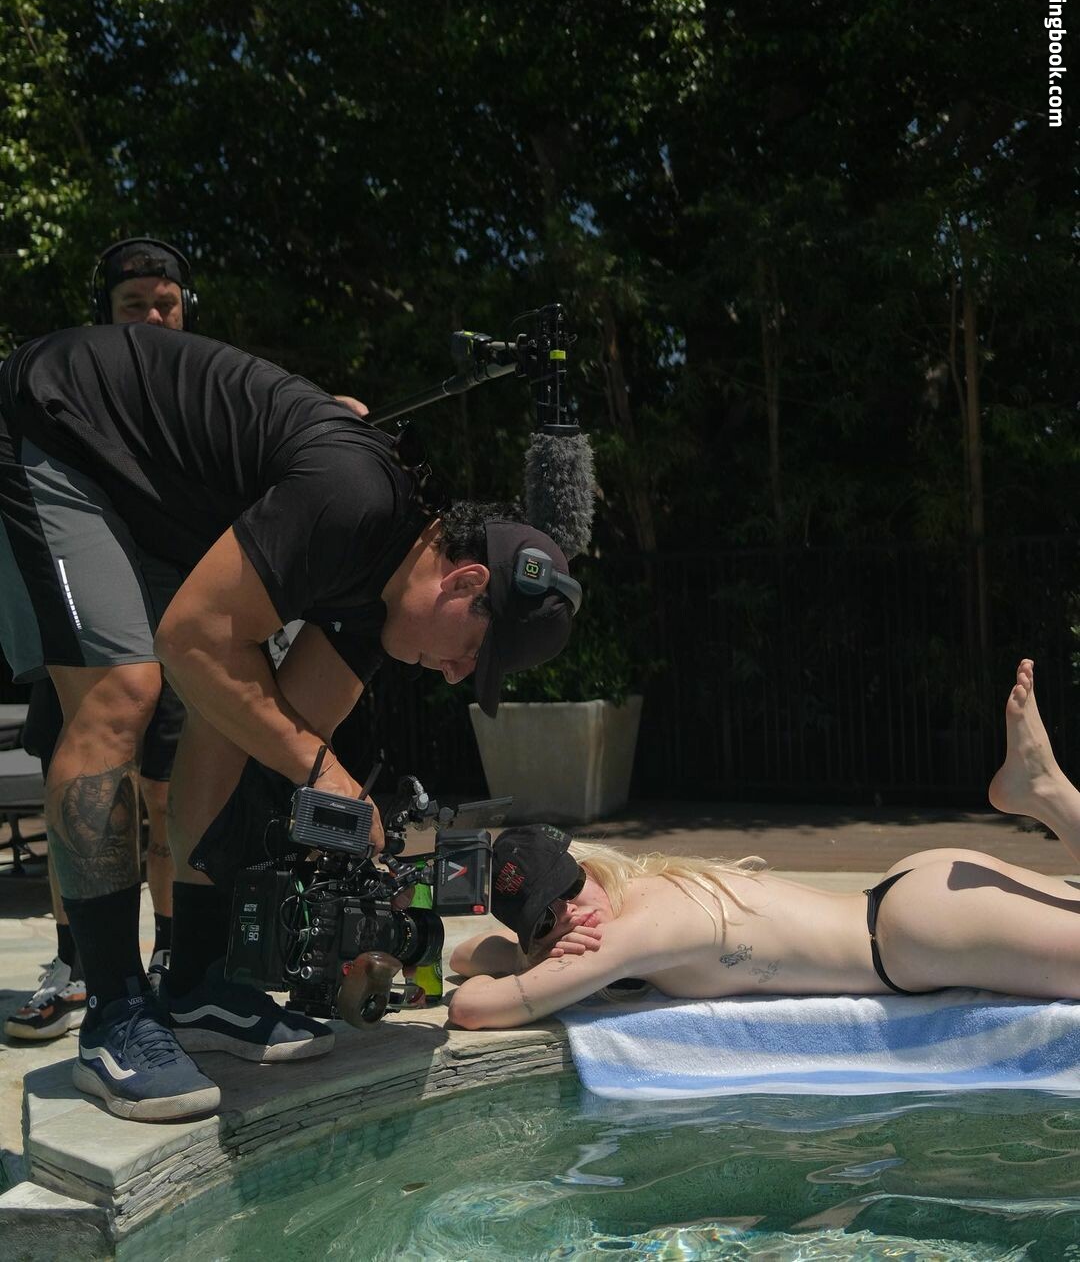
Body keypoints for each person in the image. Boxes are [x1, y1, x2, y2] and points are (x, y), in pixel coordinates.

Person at [0, 321, 578, 1121]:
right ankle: (112, 1011)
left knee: (247, 722)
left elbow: (263, 732)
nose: (453, 675)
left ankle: (198, 980)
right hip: (61, 422)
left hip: (154, 498)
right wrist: (323, 770)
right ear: (464, 581)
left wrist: (349, 865)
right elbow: (193, 641)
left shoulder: (381, 600)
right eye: (471, 654)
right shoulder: (355, 498)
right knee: (121, 692)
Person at [448, 658, 1080, 1030]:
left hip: (919, 935)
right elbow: (468, 954)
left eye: (569, 892)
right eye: (548, 918)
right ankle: (1043, 791)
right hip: (914, 898)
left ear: (585, 868)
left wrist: (539, 955)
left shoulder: (629, 934)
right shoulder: (640, 889)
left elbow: (474, 1007)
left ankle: (1049, 791)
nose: (572, 916)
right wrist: (540, 951)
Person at [6, 238, 196, 1044]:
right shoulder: (66, 384)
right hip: (84, 623)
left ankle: (173, 958)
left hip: (176, 622)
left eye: (165, 305)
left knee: (167, 799)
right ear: (104, 316)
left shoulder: (204, 392)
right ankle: (76, 962)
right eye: (132, 306)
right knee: (81, 780)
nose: (151, 318)